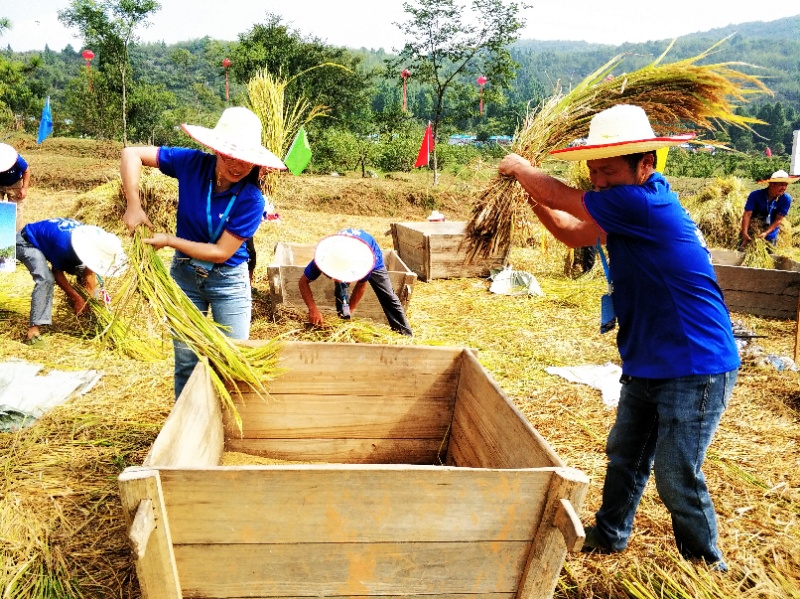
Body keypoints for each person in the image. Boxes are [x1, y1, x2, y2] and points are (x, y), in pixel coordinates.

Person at [498, 104, 740, 571]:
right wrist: (530, 195)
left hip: (696, 364)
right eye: (593, 171)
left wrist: (521, 168)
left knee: (675, 474)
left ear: (645, 164)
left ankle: (707, 565)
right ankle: (609, 539)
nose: (598, 180)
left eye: (607, 170)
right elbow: (573, 234)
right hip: (647, 359)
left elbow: (568, 199)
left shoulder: (643, 204)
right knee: (625, 455)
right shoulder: (629, 206)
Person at [120, 106, 286, 399]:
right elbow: (131, 154)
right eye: (229, 156)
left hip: (228, 282)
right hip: (185, 275)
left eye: (245, 160)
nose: (237, 166)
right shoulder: (191, 163)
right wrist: (134, 204)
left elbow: (221, 252)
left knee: (231, 358)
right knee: (186, 360)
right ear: (215, 149)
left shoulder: (251, 200)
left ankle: (224, 426)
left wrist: (170, 241)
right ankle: (186, 426)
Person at [16, 218, 127, 345]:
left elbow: (89, 271)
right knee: (46, 278)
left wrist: (89, 301)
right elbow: (57, 274)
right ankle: (33, 332)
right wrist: (78, 299)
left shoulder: (98, 240)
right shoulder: (64, 247)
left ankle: (88, 317)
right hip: (27, 241)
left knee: (82, 270)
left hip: (53, 244)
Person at [298, 228, 413, 336]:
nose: (336, 280)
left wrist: (351, 309)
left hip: (370, 251)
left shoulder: (364, 262)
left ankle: (405, 334)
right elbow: (303, 282)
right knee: (341, 290)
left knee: (387, 295)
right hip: (344, 252)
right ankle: (343, 317)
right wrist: (313, 309)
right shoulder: (324, 257)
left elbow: (361, 286)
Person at [740, 169, 799, 248]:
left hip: (770, 234)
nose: (784, 188)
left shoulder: (786, 199)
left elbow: (778, 220)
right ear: (771, 185)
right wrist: (744, 233)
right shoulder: (755, 195)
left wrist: (766, 233)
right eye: (781, 184)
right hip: (752, 232)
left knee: (769, 256)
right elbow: (747, 214)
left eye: (786, 185)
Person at [0, 143, 31, 231]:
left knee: (16, 210)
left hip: (15, 183)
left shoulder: (17, 159)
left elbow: (26, 171)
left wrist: (24, 188)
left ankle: (15, 235)